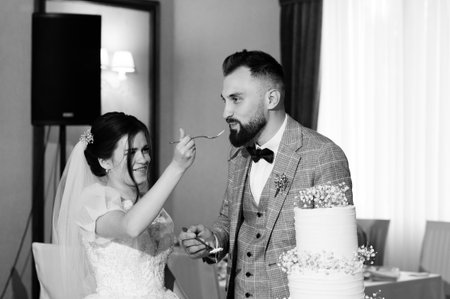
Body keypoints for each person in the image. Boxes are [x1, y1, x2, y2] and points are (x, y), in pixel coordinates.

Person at [178, 50, 353, 299]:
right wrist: (212, 240)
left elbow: (336, 257)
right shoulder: (238, 155)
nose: (226, 112)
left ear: (271, 99)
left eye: (236, 99)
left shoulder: (323, 155)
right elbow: (229, 222)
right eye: (224, 100)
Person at [52, 112, 195, 299]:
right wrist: (176, 167)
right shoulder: (93, 201)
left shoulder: (145, 203)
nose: (144, 159)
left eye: (145, 149)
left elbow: (158, 270)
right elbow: (130, 227)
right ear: (104, 161)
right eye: (131, 152)